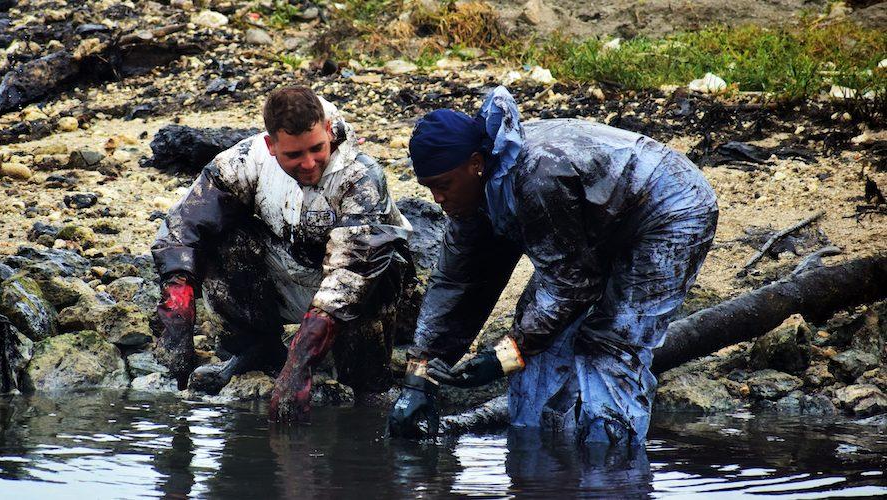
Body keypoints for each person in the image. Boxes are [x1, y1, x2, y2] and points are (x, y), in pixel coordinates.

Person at [387, 86, 718, 445]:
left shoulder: (537, 178)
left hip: (669, 210)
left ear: (476, 164)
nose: (437, 199)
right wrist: (418, 380)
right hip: (596, 218)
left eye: (444, 185)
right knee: (535, 332)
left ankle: (611, 463)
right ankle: (535, 450)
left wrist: (500, 359)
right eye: (428, 188)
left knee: (610, 341)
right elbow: (455, 284)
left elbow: (570, 285)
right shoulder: (470, 199)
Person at [151, 86, 412, 421]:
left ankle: (365, 384)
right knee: (222, 238)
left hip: (364, 291)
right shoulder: (246, 160)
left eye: (318, 148)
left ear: (329, 132)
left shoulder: (360, 176)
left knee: (382, 267)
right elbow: (184, 222)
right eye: (294, 155)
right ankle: (258, 350)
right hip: (291, 268)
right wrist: (178, 295)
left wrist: (301, 359)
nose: (309, 163)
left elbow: (352, 272)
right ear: (271, 146)